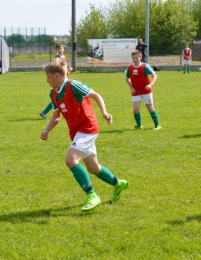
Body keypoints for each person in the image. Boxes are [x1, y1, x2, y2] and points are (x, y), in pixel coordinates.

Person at [40, 59, 128, 212]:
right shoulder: (53, 93)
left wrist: (104, 112)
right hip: (77, 133)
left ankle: (92, 196)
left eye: (48, 77)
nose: (46, 80)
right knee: (93, 168)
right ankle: (118, 183)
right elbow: (56, 116)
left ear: (56, 75)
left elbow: (95, 95)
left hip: (88, 128)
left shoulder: (73, 85)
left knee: (70, 160)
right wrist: (47, 130)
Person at [125, 50, 161, 130]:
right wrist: (131, 87)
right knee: (135, 110)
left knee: (150, 108)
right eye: (133, 58)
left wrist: (150, 85)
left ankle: (157, 125)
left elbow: (154, 76)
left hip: (146, 91)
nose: (134, 59)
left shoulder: (145, 66)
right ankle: (139, 125)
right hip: (136, 91)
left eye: (136, 58)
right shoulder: (130, 67)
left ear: (140, 58)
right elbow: (127, 78)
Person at [39, 43, 73, 119]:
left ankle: (44, 112)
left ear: (63, 49)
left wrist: (67, 69)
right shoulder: (57, 59)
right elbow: (56, 69)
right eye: (58, 49)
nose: (60, 50)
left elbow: (63, 67)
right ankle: (45, 112)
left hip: (63, 79)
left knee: (59, 96)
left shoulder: (64, 57)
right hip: (57, 80)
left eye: (61, 48)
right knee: (58, 97)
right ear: (56, 50)